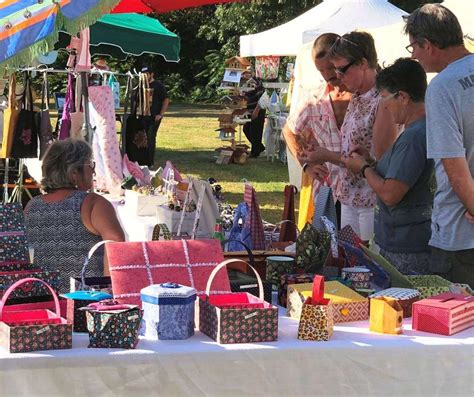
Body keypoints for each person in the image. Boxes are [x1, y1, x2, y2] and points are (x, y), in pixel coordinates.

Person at [403, 4, 474, 286]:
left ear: (428, 45)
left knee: (458, 325)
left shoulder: (443, 86)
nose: (414, 56)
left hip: (459, 236)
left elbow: (454, 164)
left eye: (413, 48)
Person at [304, 31, 398, 242]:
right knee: (349, 264)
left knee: (367, 264)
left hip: (369, 201)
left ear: (363, 63)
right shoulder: (357, 97)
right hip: (349, 197)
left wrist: (328, 155)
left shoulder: (382, 99)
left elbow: (381, 160)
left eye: (342, 69)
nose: (338, 76)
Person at [344, 58, 434, 274]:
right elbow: (403, 175)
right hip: (408, 239)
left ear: (402, 97)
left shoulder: (413, 137)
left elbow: (391, 193)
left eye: (385, 98)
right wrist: (373, 163)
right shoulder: (421, 129)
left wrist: (364, 169)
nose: (384, 106)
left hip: (406, 245)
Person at [25, 139, 125, 293]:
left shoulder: (31, 206)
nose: (93, 171)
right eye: (90, 165)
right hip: (86, 302)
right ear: (74, 173)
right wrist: (109, 294)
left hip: (45, 299)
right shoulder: (93, 203)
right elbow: (115, 243)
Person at [284, 33, 352, 226]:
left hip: (359, 194)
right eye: (321, 70)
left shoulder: (362, 95)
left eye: (331, 67)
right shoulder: (313, 99)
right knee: (325, 251)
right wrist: (306, 165)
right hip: (326, 191)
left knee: (357, 252)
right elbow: (289, 130)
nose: (328, 75)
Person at [142, 66, 170, 167]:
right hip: (143, 116)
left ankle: (150, 162)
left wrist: (160, 114)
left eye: (146, 74)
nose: (144, 76)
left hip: (155, 117)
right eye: (143, 74)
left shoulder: (158, 86)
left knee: (150, 138)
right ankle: (142, 159)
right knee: (142, 138)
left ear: (152, 74)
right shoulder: (141, 85)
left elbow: (166, 100)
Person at [243, 78, 266, 158]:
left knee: (255, 131)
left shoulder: (256, 82)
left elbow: (262, 97)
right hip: (249, 110)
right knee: (246, 129)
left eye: (249, 72)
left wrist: (256, 111)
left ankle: (255, 152)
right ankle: (259, 148)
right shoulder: (244, 82)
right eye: (245, 72)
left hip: (258, 109)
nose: (246, 74)